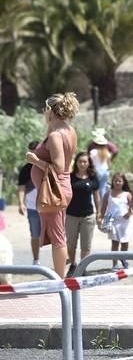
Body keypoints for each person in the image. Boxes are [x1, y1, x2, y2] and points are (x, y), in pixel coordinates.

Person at [26, 93, 79, 279]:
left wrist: (35, 160)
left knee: (58, 237)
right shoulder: (67, 130)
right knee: (58, 234)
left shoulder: (57, 135)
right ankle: (59, 275)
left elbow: (58, 167)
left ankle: (60, 279)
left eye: (44, 109)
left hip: (54, 191)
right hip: (60, 188)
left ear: (49, 110)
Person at [65, 152, 100, 276]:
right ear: (76, 163)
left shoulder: (93, 177)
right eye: (80, 161)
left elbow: (97, 196)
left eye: (85, 161)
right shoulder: (70, 177)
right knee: (71, 244)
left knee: (86, 245)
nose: (82, 164)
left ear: (89, 163)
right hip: (71, 215)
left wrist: (99, 213)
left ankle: (83, 267)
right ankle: (73, 265)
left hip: (88, 216)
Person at [99, 173, 133, 270]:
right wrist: (100, 219)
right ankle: (114, 263)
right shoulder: (108, 194)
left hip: (125, 222)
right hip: (112, 222)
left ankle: (124, 259)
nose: (118, 183)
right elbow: (103, 208)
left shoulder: (127, 194)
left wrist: (129, 213)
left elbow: (132, 207)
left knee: (125, 243)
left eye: (120, 181)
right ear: (113, 182)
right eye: (116, 181)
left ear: (123, 182)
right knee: (114, 243)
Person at [17, 140, 41, 265]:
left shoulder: (46, 165)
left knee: (55, 235)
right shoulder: (25, 170)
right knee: (35, 234)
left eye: (36, 151)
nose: (34, 154)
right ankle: (36, 260)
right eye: (32, 152)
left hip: (49, 207)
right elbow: (21, 188)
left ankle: (59, 259)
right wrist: (21, 203)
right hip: (32, 207)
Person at [89, 131, 112, 202]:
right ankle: (103, 205)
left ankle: (95, 204)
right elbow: (109, 164)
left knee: (94, 189)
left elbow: (91, 162)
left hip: (96, 171)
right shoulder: (107, 153)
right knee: (103, 189)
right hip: (105, 171)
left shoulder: (93, 152)